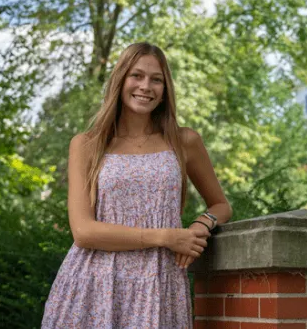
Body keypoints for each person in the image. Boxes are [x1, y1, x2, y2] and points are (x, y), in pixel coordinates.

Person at [41, 42, 232, 328]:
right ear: (120, 80)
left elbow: (221, 205)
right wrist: (166, 237)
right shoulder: (87, 144)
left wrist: (199, 226)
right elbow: (83, 231)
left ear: (165, 89)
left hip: (159, 283)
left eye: (157, 80)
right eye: (137, 76)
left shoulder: (184, 141)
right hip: (94, 284)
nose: (146, 86)